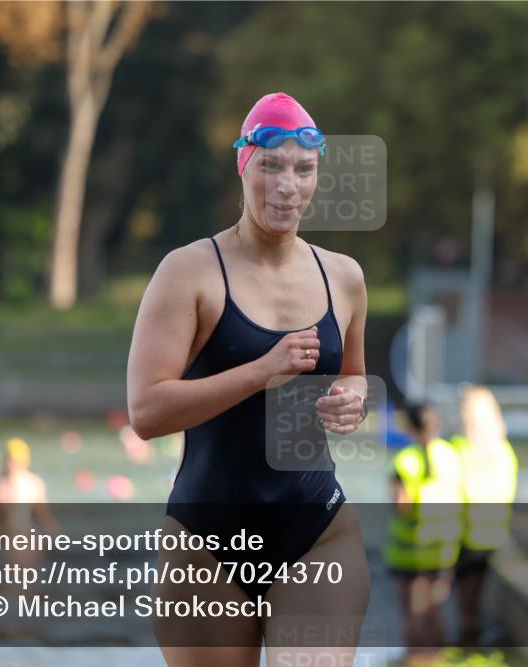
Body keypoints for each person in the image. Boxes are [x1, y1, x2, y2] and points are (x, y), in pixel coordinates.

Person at [127, 92, 370, 667]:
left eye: (303, 170)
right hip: (207, 543)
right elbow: (146, 412)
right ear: (243, 167)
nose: (287, 185)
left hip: (317, 532)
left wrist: (352, 400)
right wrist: (261, 372)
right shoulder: (189, 271)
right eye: (271, 166)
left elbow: (356, 375)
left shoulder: (344, 277)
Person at [384, 403, 465, 662]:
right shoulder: (451, 455)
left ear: (408, 427)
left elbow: (402, 506)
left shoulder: (405, 460)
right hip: (444, 552)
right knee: (434, 615)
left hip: (410, 554)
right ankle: (438, 660)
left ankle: (415, 660)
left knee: (414, 618)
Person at [450, 386, 518, 647]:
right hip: (493, 534)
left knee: (461, 605)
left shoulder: (460, 448)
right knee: (473, 602)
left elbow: (458, 492)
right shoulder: (504, 450)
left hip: (463, 538)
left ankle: (464, 646)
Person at [0, 437, 60, 554]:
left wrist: (54, 537)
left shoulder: (34, 483)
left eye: (15, 461)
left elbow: (43, 515)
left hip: (24, 537)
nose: (10, 465)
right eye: (8, 460)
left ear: (24, 462)